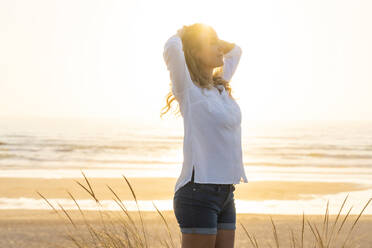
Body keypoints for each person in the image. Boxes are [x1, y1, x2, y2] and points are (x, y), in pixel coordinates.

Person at [161, 23, 249, 248]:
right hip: (197, 192)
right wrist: (187, 33)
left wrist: (214, 41)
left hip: (226, 193)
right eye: (212, 44)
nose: (220, 49)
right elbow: (171, 48)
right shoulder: (188, 90)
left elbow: (236, 51)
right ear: (195, 52)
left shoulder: (219, 88)